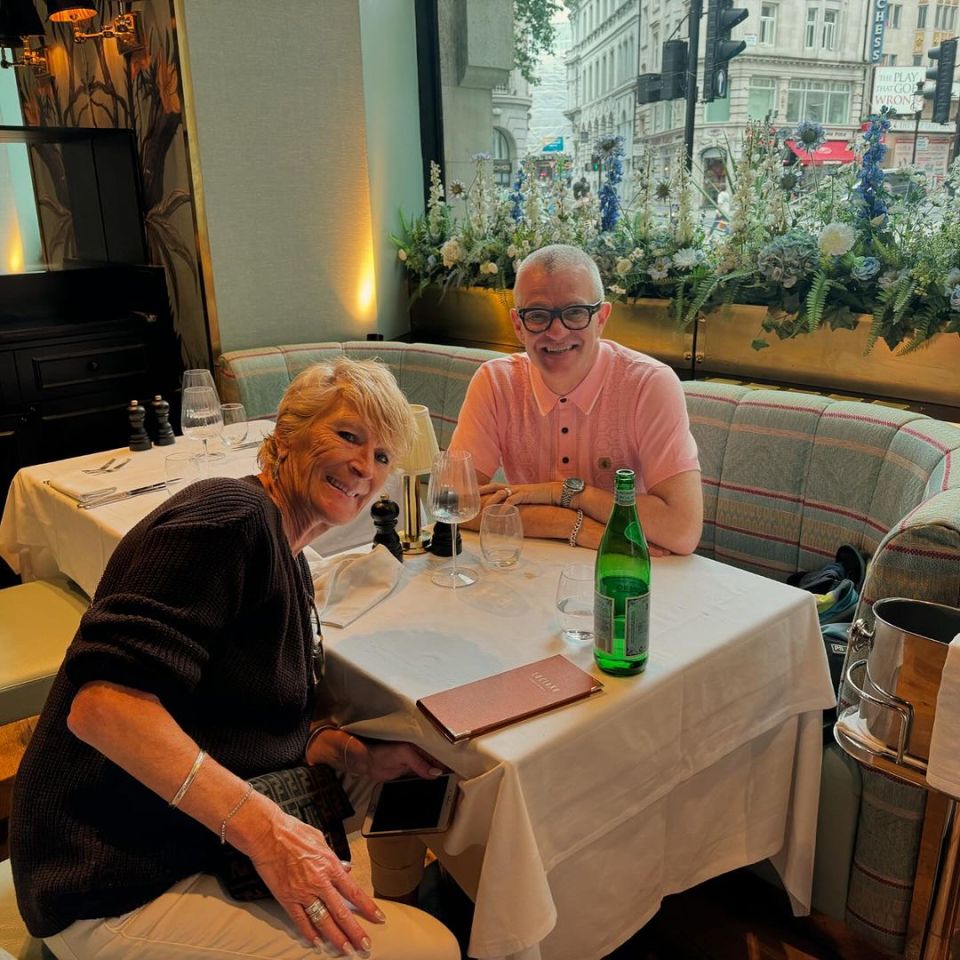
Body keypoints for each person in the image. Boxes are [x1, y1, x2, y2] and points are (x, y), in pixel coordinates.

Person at [11, 359, 460, 960]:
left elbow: (241, 719)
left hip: (177, 830)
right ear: (287, 435)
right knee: (429, 949)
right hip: (108, 874)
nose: (364, 467)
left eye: (382, 456)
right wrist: (270, 835)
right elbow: (103, 710)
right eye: (349, 436)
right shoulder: (229, 520)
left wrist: (354, 754)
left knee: (425, 787)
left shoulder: (287, 552)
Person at [449, 243, 702, 555]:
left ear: (602, 318)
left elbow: (681, 529)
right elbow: (455, 502)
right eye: (539, 316)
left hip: (623, 565)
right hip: (531, 568)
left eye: (575, 313)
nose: (557, 332)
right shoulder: (495, 382)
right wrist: (569, 525)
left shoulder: (649, 384)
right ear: (518, 325)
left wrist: (565, 494)